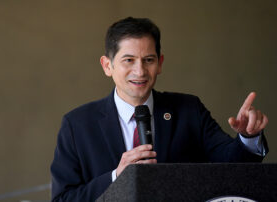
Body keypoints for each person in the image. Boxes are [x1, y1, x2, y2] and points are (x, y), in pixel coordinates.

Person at [50, 17, 269, 202]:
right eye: (129, 60)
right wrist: (117, 176)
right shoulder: (77, 125)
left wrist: (247, 137)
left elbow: (233, 170)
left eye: (148, 60)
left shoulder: (189, 110)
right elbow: (64, 199)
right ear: (108, 65)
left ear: (160, 63)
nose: (140, 71)